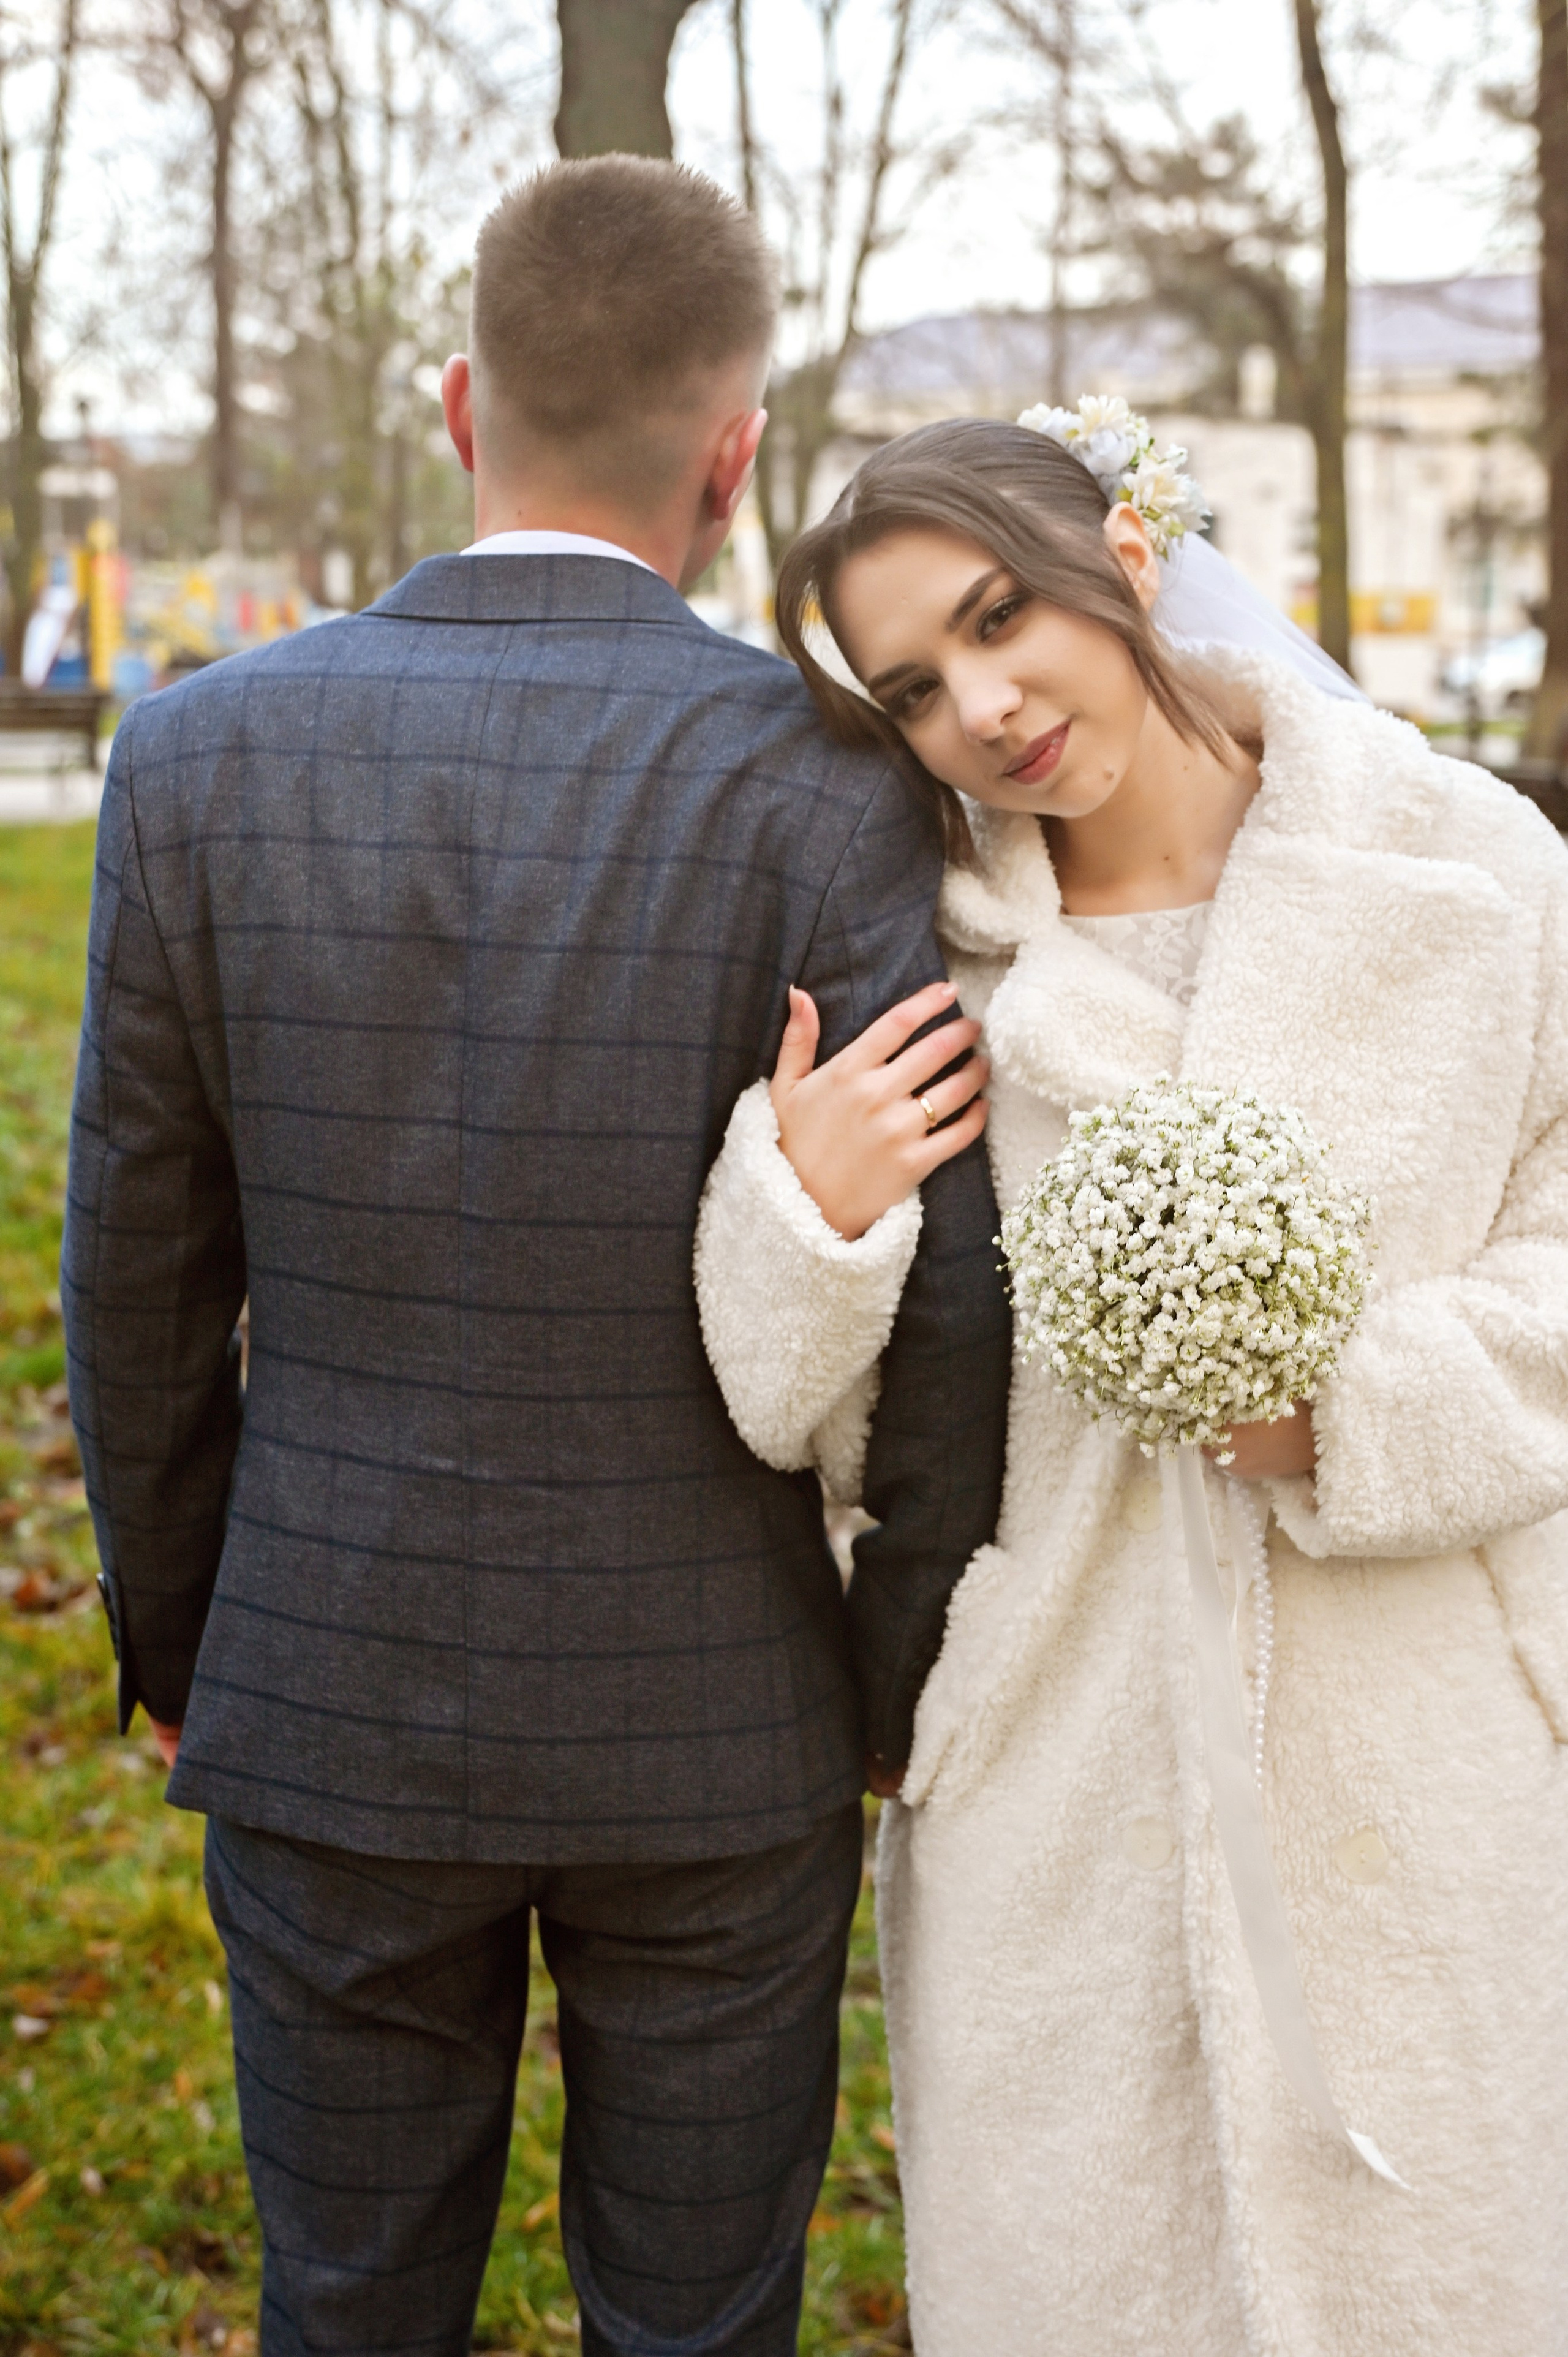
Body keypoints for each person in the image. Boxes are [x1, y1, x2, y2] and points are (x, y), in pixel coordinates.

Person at [61, 162, 1011, 2357]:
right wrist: (883, 1669)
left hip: (319, 1688)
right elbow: (945, 1276)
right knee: (700, 2322)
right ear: (735, 447)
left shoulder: (195, 757)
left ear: (461, 405)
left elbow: (138, 1270)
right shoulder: (829, 775)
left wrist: (191, 1633)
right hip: (725, 1719)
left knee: (351, 2305)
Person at [693, 410, 1568, 2354]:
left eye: (1007, 618)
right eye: (916, 687)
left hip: (1422, 1750)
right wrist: (803, 1219)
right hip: (1056, 1761)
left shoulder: (1478, 868)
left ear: (1130, 549)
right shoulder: (921, 961)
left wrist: (1343, 1412)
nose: (986, 707)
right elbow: (809, 1423)